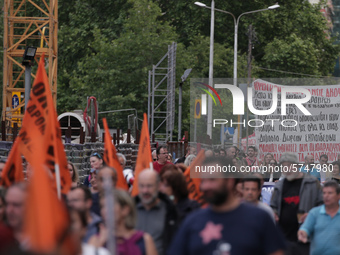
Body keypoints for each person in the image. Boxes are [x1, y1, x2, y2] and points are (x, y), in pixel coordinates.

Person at [168, 157, 286, 255]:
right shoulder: (192, 222)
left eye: (212, 180)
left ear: (229, 180)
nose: (205, 186)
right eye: (203, 181)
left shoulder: (260, 219)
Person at [270, 152, 323, 254]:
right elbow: (273, 206)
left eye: (289, 166)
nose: (287, 169)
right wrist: (274, 213)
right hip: (284, 238)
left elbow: (323, 205)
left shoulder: (312, 183)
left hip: (306, 237)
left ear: (297, 166)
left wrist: (312, 215)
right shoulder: (279, 186)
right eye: (283, 167)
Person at [91, 189, 158, 255]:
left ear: (125, 210)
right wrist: (100, 245)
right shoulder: (96, 240)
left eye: (109, 205)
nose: (104, 210)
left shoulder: (144, 240)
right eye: (102, 207)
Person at [135, 169, 178, 255]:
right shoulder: (129, 211)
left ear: (158, 186)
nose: (145, 191)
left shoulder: (170, 212)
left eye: (149, 186)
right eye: (142, 186)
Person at [298, 180, 340, 255]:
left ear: (338, 196)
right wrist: (302, 233)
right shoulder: (314, 213)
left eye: (330, 193)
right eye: (324, 193)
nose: (326, 196)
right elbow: (305, 228)